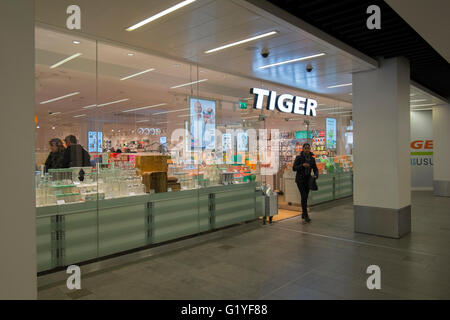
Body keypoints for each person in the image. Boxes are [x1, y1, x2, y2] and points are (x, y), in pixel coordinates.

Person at [292, 143, 318, 223]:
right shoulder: (299, 158)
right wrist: (302, 165)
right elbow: (294, 168)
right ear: (303, 149)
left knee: (305, 196)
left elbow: (315, 169)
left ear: (310, 149)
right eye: (305, 148)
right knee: (303, 196)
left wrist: (316, 175)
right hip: (300, 180)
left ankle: (303, 213)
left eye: (308, 148)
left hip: (308, 180)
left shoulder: (312, 159)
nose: (307, 150)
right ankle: (306, 214)